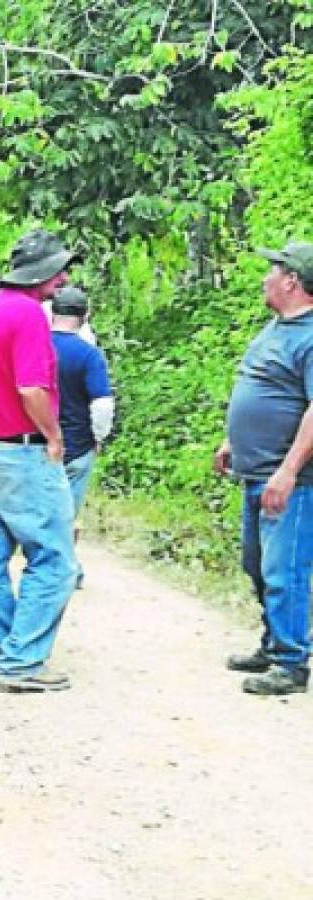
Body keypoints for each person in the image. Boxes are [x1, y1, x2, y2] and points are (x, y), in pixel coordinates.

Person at [0, 228, 78, 693]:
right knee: (54, 560)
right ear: (44, 273)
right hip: (19, 451)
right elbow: (30, 388)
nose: (65, 277)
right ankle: (22, 660)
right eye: (60, 269)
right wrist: (54, 435)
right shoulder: (28, 315)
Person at [216, 241, 313, 696]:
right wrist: (233, 441)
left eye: (272, 270)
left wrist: (289, 470)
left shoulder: (311, 336)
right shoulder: (276, 328)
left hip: (289, 480)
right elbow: (260, 386)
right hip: (255, 470)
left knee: (283, 570)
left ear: (292, 280)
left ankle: (292, 663)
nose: (265, 278)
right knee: (256, 564)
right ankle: (274, 641)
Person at [50, 286, 114, 587]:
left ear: (53, 312)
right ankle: (64, 567)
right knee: (68, 510)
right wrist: (98, 436)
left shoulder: (37, 347)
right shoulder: (89, 355)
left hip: (37, 442)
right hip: (77, 445)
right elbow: (101, 404)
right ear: (85, 315)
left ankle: (50, 563)